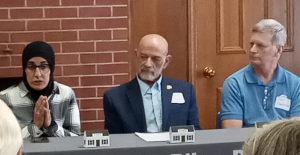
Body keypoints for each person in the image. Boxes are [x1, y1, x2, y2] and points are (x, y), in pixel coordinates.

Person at [103, 34, 200, 133]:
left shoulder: (185, 91)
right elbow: (115, 141)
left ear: (166, 61)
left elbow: (194, 132)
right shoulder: (115, 98)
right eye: (143, 57)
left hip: (174, 147)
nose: (148, 64)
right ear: (136, 55)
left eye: (155, 59)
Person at [220, 19, 300, 128]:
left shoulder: (295, 84)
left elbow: (295, 132)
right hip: (247, 144)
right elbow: (232, 134)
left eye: (260, 45)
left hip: (282, 144)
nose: (253, 50)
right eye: (252, 44)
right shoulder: (234, 83)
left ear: (278, 49)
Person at [0, 41, 81, 138]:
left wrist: (52, 126)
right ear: (24, 69)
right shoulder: (6, 98)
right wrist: (34, 127)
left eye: (44, 66)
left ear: (51, 68)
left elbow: (75, 139)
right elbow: (4, 142)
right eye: (31, 66)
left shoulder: (66, 94)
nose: (37, 74)